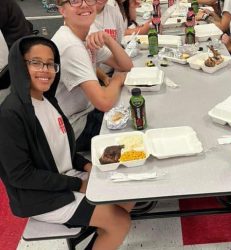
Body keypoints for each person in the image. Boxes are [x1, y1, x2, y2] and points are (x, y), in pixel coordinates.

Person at [0, 36, 134, 250]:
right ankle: (106, 229)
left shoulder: (47, 100)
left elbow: (61, 149)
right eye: (35, 62)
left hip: (64, 177)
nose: (45, 70)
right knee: (120, 222)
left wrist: (87, 166)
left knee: (126, 195)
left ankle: (101, 234)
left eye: (50, 63)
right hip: (41, 197)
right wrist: (78, 184)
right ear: (19, 65)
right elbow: (21, 176)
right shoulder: (10, 114)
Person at [53, 0, 133, 152]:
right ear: (62, 10)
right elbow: (103, 102)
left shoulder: (86, 36)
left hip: (86, 111)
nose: (84, 5)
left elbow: (126, 66)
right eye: (75, 1)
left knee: (135, 109)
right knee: (134, 129)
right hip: (73, 129)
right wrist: (117, 80)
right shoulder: (71, 46)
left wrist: (108, 39)